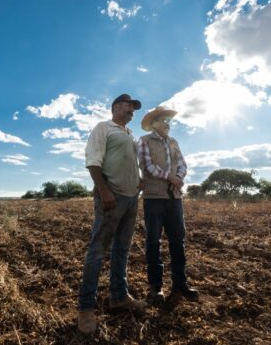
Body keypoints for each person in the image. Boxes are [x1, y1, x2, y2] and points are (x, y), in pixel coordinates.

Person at [77, 94, 147, 335]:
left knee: (122, 249)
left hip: (130, 198)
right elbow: (93, 161)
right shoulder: (103, 128)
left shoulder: (129, 134)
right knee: (98, 250)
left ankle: (118, 296)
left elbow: (131, 162)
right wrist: (104, 191)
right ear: (116, 107)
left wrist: (139, 181)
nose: (132, 111)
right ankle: (86, 308)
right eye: (129, 106)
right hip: (111, 196)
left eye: (133, 109)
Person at [138, 106, 199, 306]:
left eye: (169, 121)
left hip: (174, 197)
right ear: (154, 123)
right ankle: (156, 288)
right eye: (164, 121)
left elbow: (182, 164)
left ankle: (180, 284)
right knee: (153, 242)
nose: (168, 124)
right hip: (154, 197)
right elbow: (147, 166)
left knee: (177, 241)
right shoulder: (145, 141)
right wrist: (170, 177)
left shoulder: (174, 142)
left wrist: (179, 177)